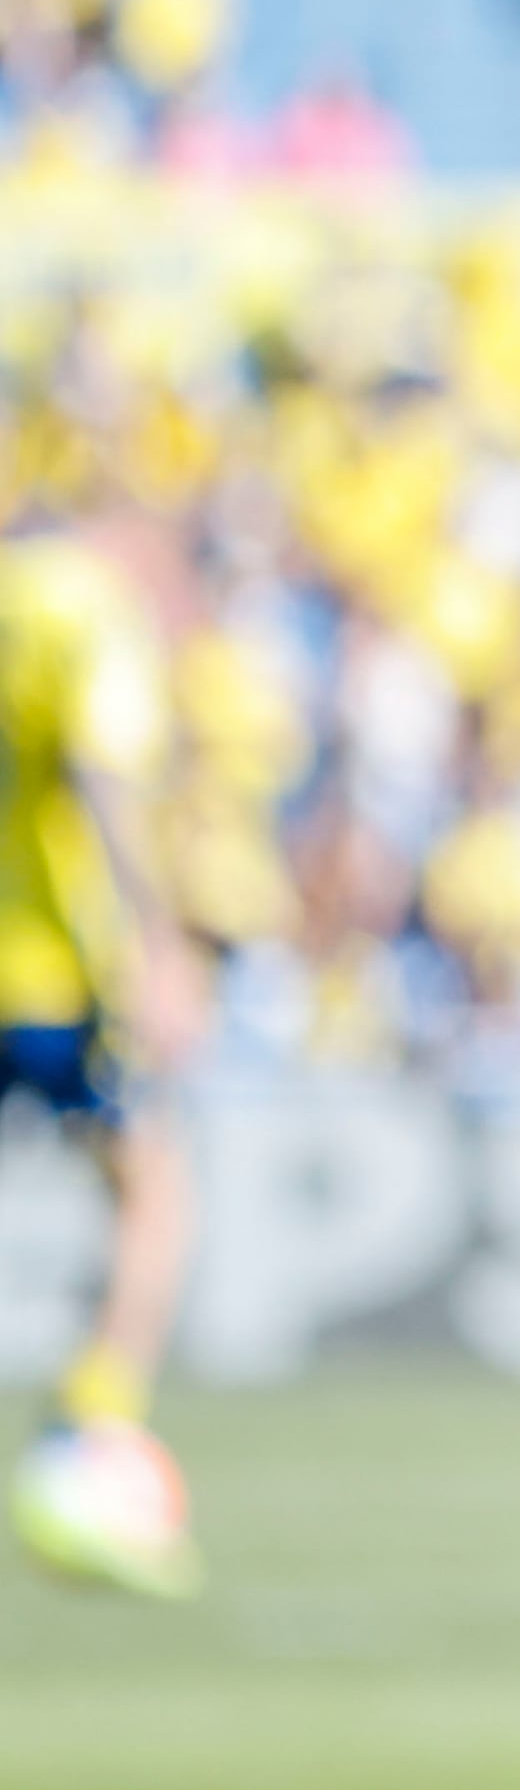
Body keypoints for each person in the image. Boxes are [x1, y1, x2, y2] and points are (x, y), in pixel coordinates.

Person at [0, 529, 202, 1602]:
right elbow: (99, 774)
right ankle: (96, 1421)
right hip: (48, 978)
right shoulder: (80, 606)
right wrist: (160, 947)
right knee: (151, 1189)